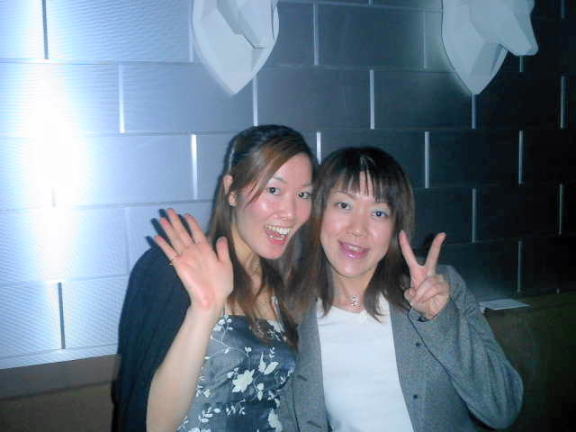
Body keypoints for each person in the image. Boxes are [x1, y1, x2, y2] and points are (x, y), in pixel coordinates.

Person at [280, 147, 523, 432]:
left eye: (379, 212)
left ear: (396, 227)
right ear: (318, 212)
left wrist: (441, 318)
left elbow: (503, 409)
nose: (358, 228)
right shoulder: (292, 313)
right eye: (344, 205)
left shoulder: (440, 290)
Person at [114, 125, 316, 432]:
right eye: (273, 190)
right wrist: (205, 307)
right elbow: (152, 424)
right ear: (232, 190)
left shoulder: (287, 284)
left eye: (303, 194)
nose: (290, 212)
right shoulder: (176, 269)